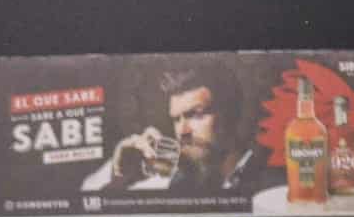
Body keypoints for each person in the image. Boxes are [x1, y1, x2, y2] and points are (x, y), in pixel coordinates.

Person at [82, 64, 252, 197]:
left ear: (230, 112)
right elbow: (84, 198)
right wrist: (118, 175)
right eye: (176, 119)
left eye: (195, 114)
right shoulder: (174, 182)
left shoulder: (269, 185)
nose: (183, 131)